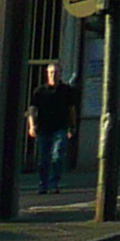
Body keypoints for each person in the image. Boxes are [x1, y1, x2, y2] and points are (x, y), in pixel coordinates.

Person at [26, 62, 81, 197]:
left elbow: (71, 109)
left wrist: (72, 126)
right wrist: (32, 125)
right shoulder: (40, 91)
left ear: (61, 74)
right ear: (47, 74)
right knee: (43, 158)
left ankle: (54, 183)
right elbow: (32, 109)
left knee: (57, 156)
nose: (53, 75)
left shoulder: (67, 91)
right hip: (44, 128)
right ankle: (43, 184)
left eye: (56, 72)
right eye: (51, 72)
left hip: (60, 128)